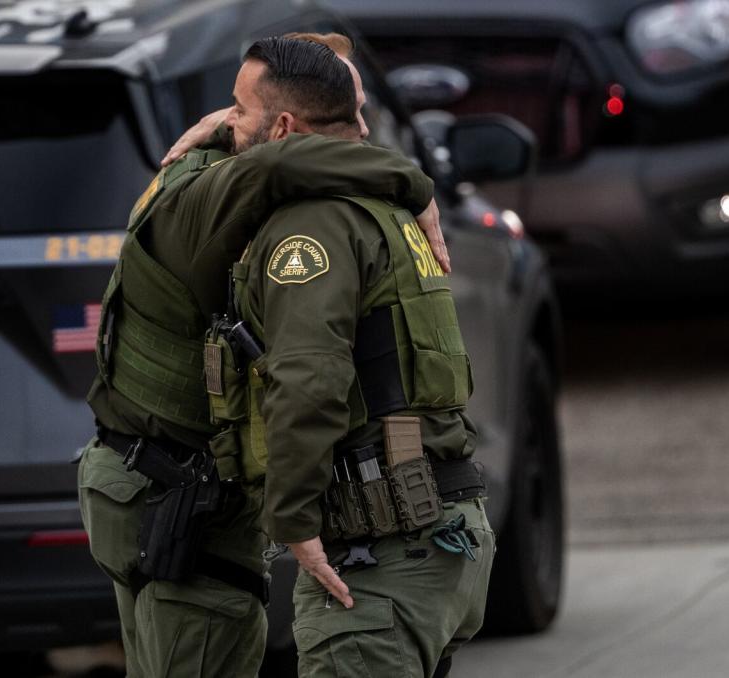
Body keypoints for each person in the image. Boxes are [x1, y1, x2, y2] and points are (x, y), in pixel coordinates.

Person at [77, 36, 448, 678]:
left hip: (151, 479)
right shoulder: (211, 196)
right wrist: (413, 184)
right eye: (349, 117)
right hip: (176, 501)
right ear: (285, 127)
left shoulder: (207, 166)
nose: (359, 132)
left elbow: (278, 153)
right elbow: (280, 168)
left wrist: (227, 120)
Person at [218, 37, 497, 678]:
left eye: (238, 109)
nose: (227, 124)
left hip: (381, 554)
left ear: (284, 126)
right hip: (441, 532)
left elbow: (309, 378)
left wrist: (291, 519)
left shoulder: (310, 226)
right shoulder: (389, 205)